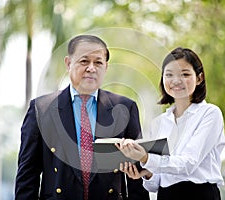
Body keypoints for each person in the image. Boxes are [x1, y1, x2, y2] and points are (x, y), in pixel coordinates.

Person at [15, 35, 150, 200]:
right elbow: (27, 175)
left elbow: (136, 177)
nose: (91, 68)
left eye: (98, 62)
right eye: (84, 61)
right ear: (68, 63)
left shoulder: (125, 108)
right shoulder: (41, 109)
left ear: (106, 67)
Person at [117, 47, 225, 200]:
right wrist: (145, 173)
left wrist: (146, 159)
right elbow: (155, 184)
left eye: (185, 74)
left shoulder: (209, 113)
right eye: (169, 75)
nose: (176, 81)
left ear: (199, 78)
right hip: (166, 195)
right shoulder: (158, 123)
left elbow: (188, 163)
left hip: (200, 194)